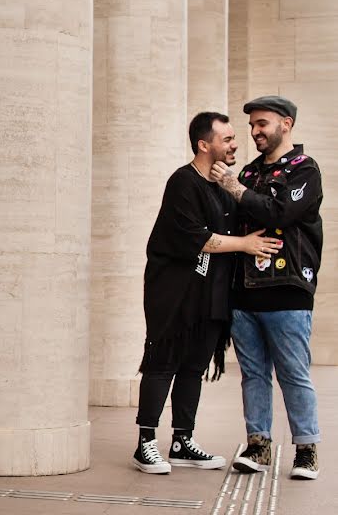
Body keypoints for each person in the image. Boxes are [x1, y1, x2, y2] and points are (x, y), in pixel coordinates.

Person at [133, 112, 282, 475]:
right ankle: (145, 443)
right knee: (163, 361)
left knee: (194, 366)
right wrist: (245, 244)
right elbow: (198, 239)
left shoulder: (222, 187)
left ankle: (183, 440)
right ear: (204, 144)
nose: (235, 144)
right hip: (174, 292)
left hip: (211, 296)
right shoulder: (182, 183)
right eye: (227, 139)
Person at [211, 95, 323, 480]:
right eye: (253, 126)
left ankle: (306, 450)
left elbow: (280, 213)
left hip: (288, 290)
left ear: (286, 124)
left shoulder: (304, 169)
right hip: (244, 291)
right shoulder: (248, 173)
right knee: (254, 375)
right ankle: (258, 446)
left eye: (262, 124)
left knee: (293, 372)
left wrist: (234, 189)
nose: (255, 132)